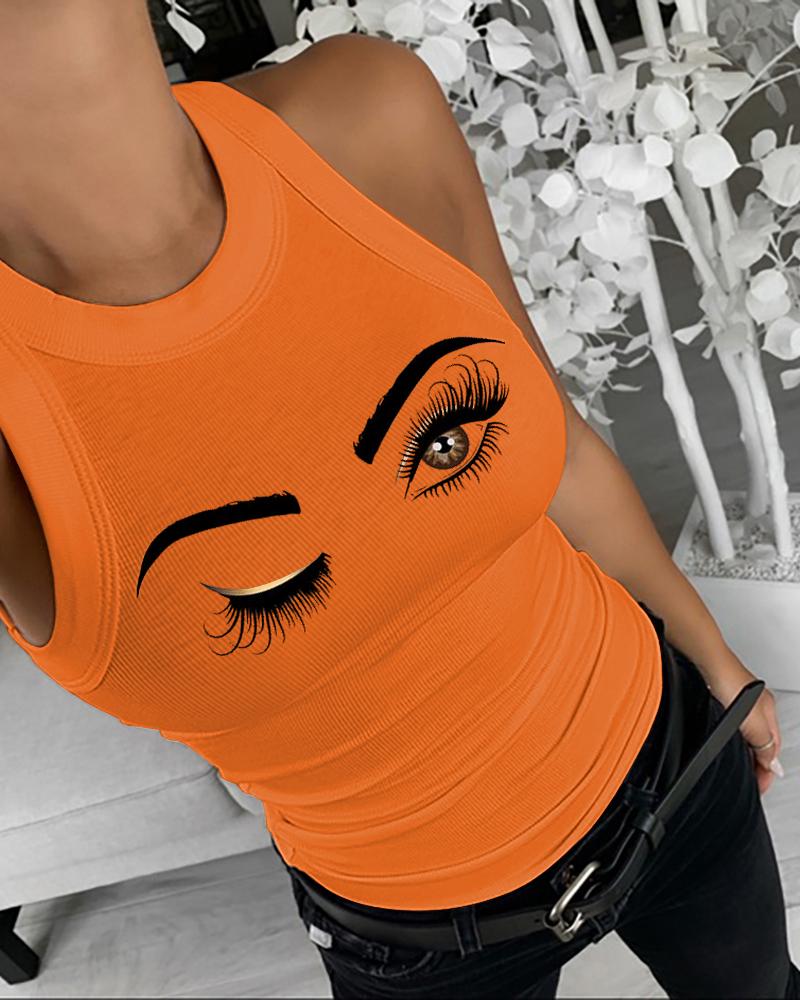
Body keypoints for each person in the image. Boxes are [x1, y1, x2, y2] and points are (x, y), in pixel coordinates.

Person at [0, 2, 795, 997]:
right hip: (419, 942)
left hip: (670, 758)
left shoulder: (363, 113)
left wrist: (711, 652)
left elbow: (552, 447)